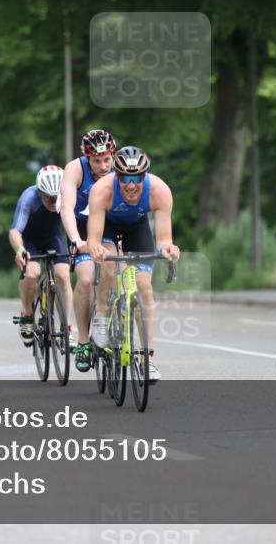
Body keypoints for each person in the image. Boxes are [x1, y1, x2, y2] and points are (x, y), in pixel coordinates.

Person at [86, 145, 180, 383]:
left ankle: (146, 359)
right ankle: (101, 313)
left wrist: (167, 249)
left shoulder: (159, 191)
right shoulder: (101, 191)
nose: (131, 185)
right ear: (116, 177)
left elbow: (163, 239)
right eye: (125, 178)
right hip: (108, 227)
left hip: (137, 229)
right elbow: (93, 239)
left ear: (144, 176)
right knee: (107, 265)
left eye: (137, 178)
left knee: (143, 287)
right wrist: (96, 248)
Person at [60, 129, 117, 372]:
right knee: (84, 279)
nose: (103, 166)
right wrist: (74, 238)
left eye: (107, 159)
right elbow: (66, 206)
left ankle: (109, 317)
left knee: (112, 270)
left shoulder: (119, 168)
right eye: (97, 160)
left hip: (110, 224)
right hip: (82, 225)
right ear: (87, 158)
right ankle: (83, 340)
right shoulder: (75, 169)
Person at [8, 165, 72, 346]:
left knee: (63, 275)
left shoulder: (68, 195)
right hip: (30, 241)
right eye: (48, 198)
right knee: (32, 273)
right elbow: (15, 231)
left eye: (56, 198)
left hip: (53, 238)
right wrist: (20, 249)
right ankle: (27, 315)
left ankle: (66, 328)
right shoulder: (29, 197)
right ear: (40, 192)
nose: (53, 203)